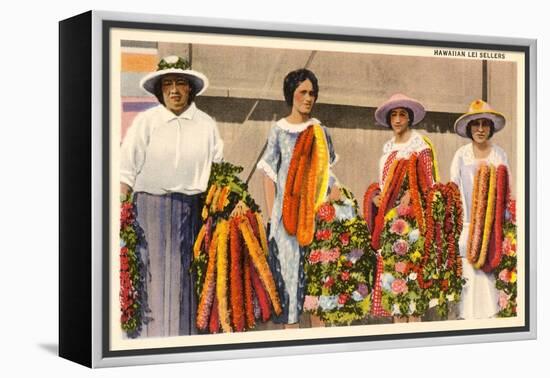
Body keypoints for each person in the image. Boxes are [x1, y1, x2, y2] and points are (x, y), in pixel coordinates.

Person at [120, 55, 223, 336]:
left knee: (184, 282)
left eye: (180, 83)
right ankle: (145, 345)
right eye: (168, 84)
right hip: (148, 213)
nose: (174, 90)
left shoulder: (205, 124)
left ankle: (181, 343)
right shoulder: (147, 121)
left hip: (193, 213)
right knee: (151, 279)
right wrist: (119, 209)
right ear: (160, 89)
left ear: (190, 88)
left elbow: (219, 170)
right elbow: (124, 170)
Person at [256, 68, 340, 328]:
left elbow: (328, 174)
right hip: (287, 221)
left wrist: (332, 200)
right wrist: (273, 217)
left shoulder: (319, 131)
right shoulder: (279, 131)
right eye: (302, 92)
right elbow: (268, 175)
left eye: (312, 93)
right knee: (290, 287)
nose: (308, 98)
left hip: (316, 218)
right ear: (290, 94)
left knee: (317, 286)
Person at [369, 93, 437, 322]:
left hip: (413, 226)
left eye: (402, 115)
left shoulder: (420, 147)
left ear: (409, 119)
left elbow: (431, 184)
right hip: (390, 225)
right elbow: (383, 185)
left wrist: (413, 194)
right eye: (394, 115)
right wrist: (377, 197)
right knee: (395, 291)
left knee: (412, 289)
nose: (398, 120)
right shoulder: (387, 151)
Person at [450, 99, 508, 320]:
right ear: (469, 128)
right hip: (467, 226)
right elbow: (454, 189)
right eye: (476, 124)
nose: (480, 129)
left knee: (488, 284)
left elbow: (505, 191)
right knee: (468, 279)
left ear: (491, 128)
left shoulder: (499, 155)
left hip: (491, 227)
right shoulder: (461, 155)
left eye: (485, 124)